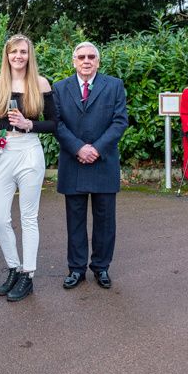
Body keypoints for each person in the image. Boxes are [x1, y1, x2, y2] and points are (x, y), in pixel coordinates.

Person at [54, 42, 128, 290]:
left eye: (91, 56)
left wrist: (96, 149)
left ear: (98, 60)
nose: (86, 60)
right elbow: (58, 124)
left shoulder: (114, 85)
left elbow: (119, 122)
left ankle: (101, 267)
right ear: (73, 60)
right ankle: (76, 269)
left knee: (105, 220)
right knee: (74, 220)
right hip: (73, 161)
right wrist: (79, 148)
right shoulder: (59, 88)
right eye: (81, 56)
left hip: (103, 161)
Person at [0, 34, 57, 302]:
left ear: (30, 55)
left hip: (29, 151)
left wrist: (31, 124)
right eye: (13, 52)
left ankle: (28, 275)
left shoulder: (40, 83)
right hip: (4, 151)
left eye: (23, 52)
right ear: (7, 55)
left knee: (28, 217)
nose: (18, 56)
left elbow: (54, 123)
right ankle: (13, 267)